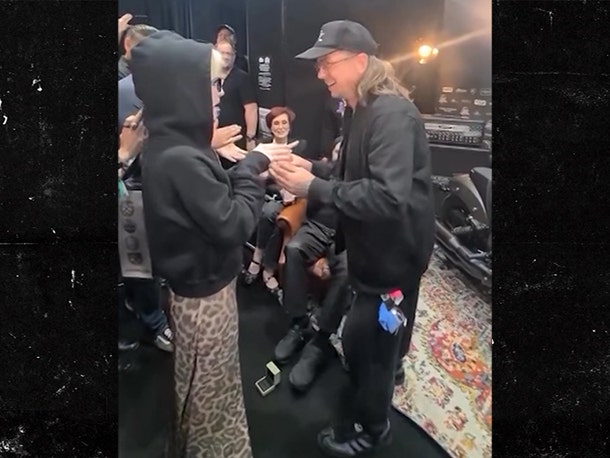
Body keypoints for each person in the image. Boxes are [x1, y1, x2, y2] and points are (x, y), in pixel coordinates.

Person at [269, 20, 435, 456]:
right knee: (384, 337)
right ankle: (392, 366)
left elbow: (387, 198)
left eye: (328, 63)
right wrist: (311, 169)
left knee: (367, 345)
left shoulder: (392, 116)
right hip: (374, 250)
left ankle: (373, 430)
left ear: (360, 61)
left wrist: (313, 188)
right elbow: (349, 175)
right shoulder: (360, 109)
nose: (320, 73)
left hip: (391, 258)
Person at [130, 30, 295, 457]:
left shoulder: (172, 145)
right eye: (213, 84)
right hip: (205, 300)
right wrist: (255, 167)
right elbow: (233, 223)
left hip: (194, 291)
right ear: (182, 89)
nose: (220, 93)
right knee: (210, 395)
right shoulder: (181, 157)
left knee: (201, 384)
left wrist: (243, 166)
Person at [242, 106, 305, 302]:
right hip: (268, 195)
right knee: (271, 213)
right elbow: (255, 177)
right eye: (276, 123)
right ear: (270, 127)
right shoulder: (263, 148)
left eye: (284, 122)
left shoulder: (300, 146)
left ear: (290, 125)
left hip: (295, 198)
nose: (280, 126)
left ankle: (261, 263)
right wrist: (274, 178)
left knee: (277, 216)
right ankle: (264, 264)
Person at [215, 39, 258, 161]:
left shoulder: (242, 78)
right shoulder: (209, 76)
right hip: (215, 139)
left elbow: (251, 109)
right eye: (222, 53)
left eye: (229, 53)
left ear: (234, 57)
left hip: (236, 138)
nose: (226, 57)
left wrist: (250, 138)